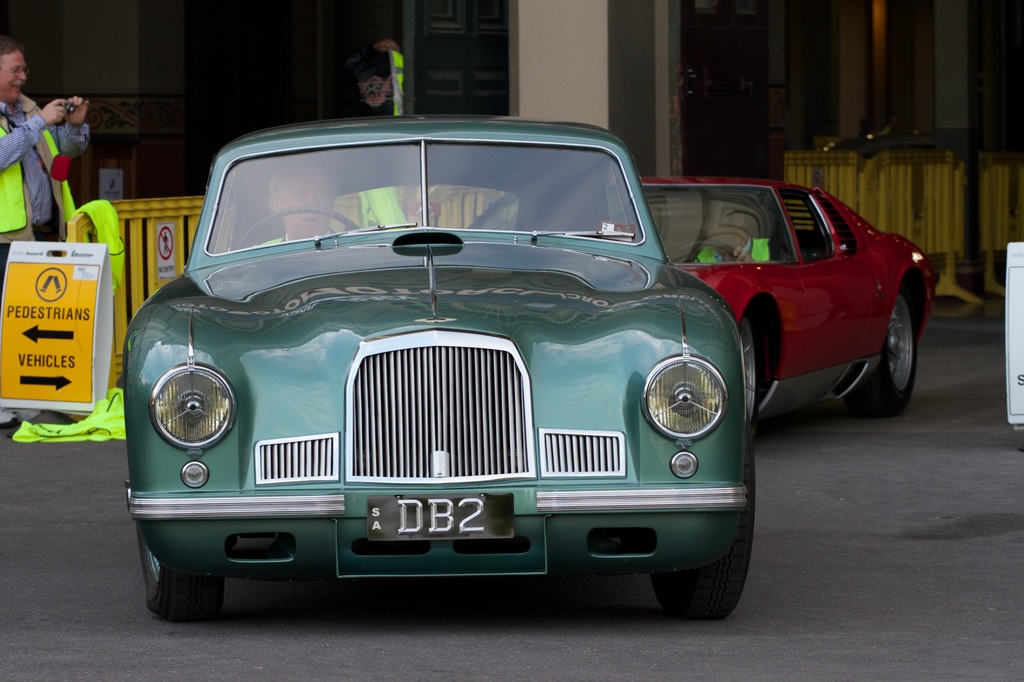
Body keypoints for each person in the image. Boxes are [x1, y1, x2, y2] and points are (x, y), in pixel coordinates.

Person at [0, 35, 90, 429]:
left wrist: (74, 125)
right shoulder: (30, 116)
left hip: (37, 234)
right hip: (3, 236)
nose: (23, 77)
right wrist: (38, 121)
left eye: (24, 69)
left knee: (24, 320)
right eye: (15, 69)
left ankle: (23, 400)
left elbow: (65, 153)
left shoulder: (28, 110)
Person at [265, 166, 337, 242]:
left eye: (321, 195)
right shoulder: (263, 252)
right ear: (276, 204)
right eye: (300, 194)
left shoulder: (350, 249)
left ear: (331, 203)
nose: (313, 204)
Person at [344, 38, 404, 116]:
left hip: (368, 124)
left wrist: (373, 47)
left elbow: (350, 62)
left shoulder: (360, 69)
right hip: (399, 122)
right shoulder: (403, 65)